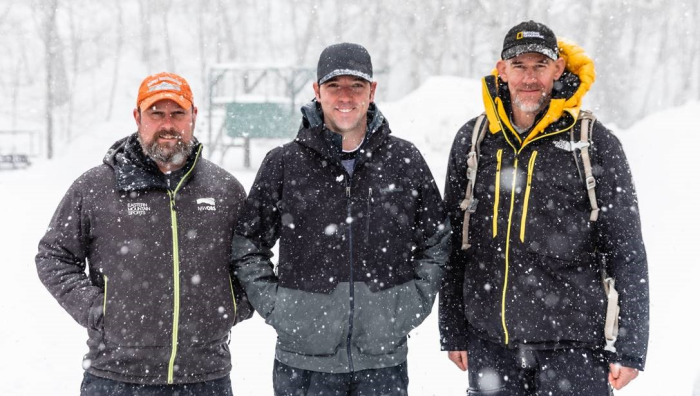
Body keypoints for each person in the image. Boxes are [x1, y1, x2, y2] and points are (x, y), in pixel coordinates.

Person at [439, 21, 649, 395]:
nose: (529, 77)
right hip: (492, 344)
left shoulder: (593, 143)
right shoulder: (475, 140)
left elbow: (626, 250)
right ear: (501, 71)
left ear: (559, 69)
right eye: (519, 65)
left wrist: (631, 348)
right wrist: (453, 327)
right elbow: (455, 243)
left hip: (575, 349)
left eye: (540, 65)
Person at [232, 43, 450, 396]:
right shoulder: (285, 163)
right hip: (303, 361)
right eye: (334, 86)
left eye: (357, 86)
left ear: (372, 91)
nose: (345, 96)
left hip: (382, 362)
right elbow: (247, 242)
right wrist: (279, 307)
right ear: (317, 91)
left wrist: (411, 302)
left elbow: (436, 241)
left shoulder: (404, 160)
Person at [36, 72, 253, 396]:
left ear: (193, 117)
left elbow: (252, 256)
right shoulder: (95, 188)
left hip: (206, 377)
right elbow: (53, 256)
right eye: (156, 113)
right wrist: (97, 308)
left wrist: (233, 305)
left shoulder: (224, 190)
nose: (168, 124)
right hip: (114, 377)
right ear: (138, 117)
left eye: (177, 113)